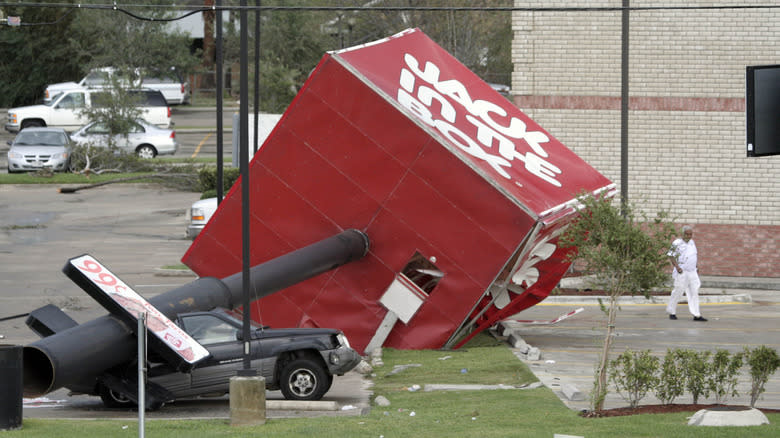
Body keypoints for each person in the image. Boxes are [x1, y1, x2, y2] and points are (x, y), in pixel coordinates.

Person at [666, 225, 707, 321]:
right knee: (678, 291)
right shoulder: (677, 243)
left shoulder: (692, 242)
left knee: (694, 292)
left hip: (692, 272)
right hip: (682, 271)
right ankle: (672, 312)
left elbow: (693, 255)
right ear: (682, 234)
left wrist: (696, 266)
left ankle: (696, 314)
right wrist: (677, 267)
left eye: (690, 234)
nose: (689, 236)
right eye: (687, 234)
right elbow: (671, 256)